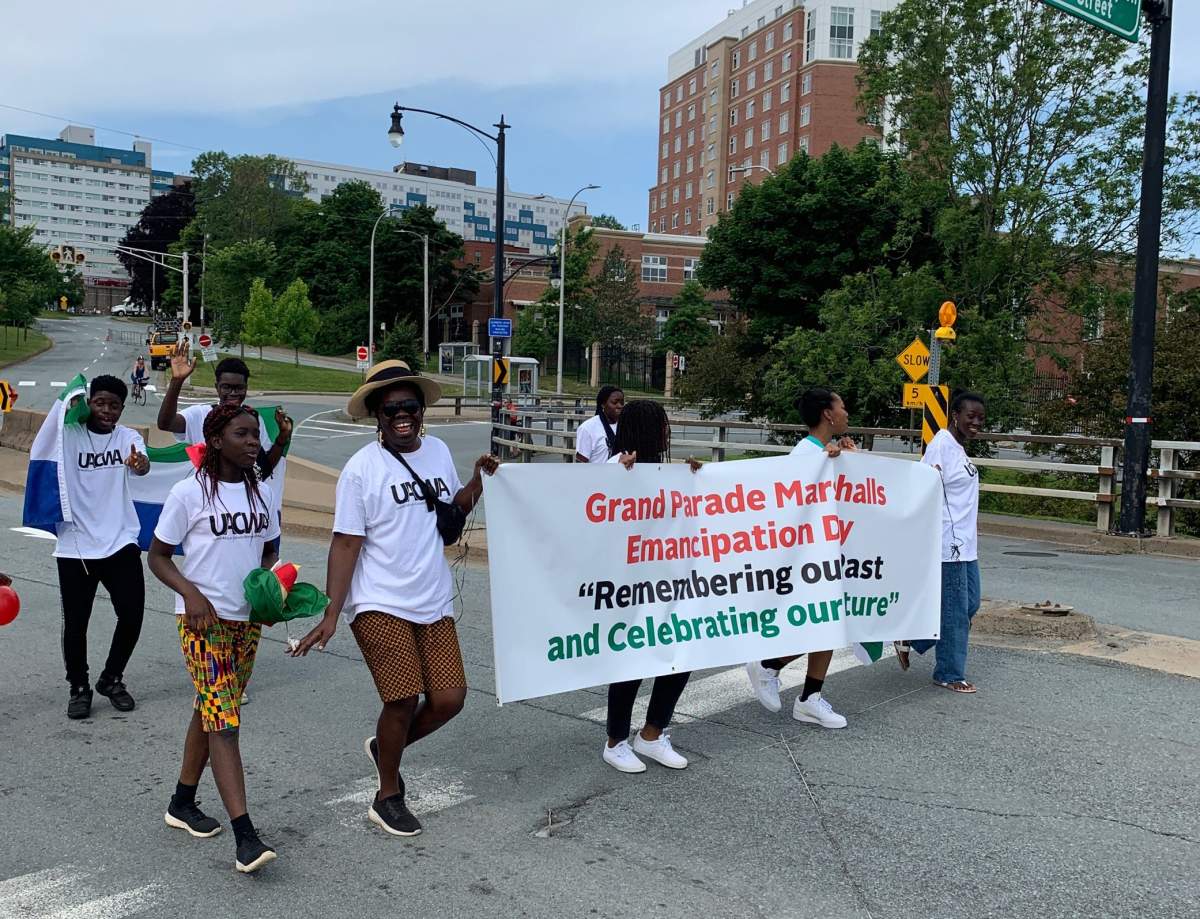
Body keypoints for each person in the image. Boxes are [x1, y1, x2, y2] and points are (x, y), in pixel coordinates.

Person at [291, 360, 498, 838]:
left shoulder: (438, 451)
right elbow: (346, 543)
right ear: (376, 416)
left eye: (410, 406)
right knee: (402, 698)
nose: (401, 415)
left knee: (449, 699)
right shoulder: (361, 470)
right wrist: (332, 612)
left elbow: (450, 513)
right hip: (379, 600)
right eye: (390, 409)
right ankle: (387, 795)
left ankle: (386, 748)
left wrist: (476, 481)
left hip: (432, 596)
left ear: (422, 410)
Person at [148, 403, 281, 874]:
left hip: (246, 622)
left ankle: (182, 801)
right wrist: (191, 593)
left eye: (256, 434)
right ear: (217, 440)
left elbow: (269, 548)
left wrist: (267, 591)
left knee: (210, 708)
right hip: (202, 623)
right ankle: (246, 836)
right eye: (243, 434)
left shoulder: (262, 491)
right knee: (224, 721)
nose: (254, 442)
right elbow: (158, 556)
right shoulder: (189, 493)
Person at [745, 387, 855, 729]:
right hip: (807, 558)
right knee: (824, 623)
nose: (846, 412)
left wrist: (852, 461)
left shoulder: (826, 453)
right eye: (841, 407)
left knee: (830, 624)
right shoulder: (806, 455)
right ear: (828, 414)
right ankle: (770, 666)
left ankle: (808, 697)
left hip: (828, 553)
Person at [603, 399, 699, 774]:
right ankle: (615, 742)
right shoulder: (614, 469)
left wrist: (695, 479)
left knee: (680, 654)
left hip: (668, 584)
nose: (666, 432)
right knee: (632, 660)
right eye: (661, 425)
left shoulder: (665, 471)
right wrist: (618, 476)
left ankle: (652, 733)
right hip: (628, 587)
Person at [56, 374, 151, 720]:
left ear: (122, 409)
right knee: (76, 623)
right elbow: (51, 430)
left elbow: (142, 464)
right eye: (100, 403)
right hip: (76, 545)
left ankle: (111, 678)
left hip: (120, 540)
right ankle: (78, 687)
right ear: (89, 402)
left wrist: (140, 464)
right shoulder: (68, 435)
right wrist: (69, 404)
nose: (107, 410)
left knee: (132, 613)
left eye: (114, 405)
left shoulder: (128, 438)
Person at [901, 391, 986, 693]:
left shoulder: (958, 448)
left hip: (967, 544)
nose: (976, 422)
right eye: (970, 416)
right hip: (947, 543)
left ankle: (913, 637)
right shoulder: (941, 445)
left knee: (970, 604)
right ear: (955, 416)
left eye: (980, 418)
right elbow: (925, 486)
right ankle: (949, 673)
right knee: (956, 611)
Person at [157, 343, 293, 529]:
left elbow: (263, 468)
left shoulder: (253, 419)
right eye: (226, 387)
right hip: (207, 506)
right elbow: (166, 423)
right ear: (217, 387)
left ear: (246, 387)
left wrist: (282, 439)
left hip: (244, 507)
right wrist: (177, 381)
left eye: (239, 388)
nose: (233, 393)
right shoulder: (200, 414)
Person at [575, 385, 624, 464]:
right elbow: (580, 464)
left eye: (622, 403)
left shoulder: (626, 426)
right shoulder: (587, 428)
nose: (620, 406)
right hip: (597, 472)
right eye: (615, 402)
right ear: (603, 404)